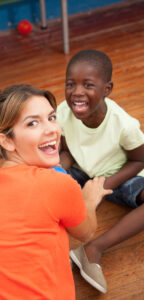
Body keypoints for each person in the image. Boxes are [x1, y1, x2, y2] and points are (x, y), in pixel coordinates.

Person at [0, 84, 112, 300]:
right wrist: (89, 199)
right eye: (33, 123)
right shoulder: (59, 184)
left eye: (52, 118)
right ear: (6, 140)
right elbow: (86, 233)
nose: (52, 129)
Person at [57, 49, 144, 294]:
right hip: (82, 170)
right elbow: (68, 150)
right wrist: (57, 172)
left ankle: (93, 249)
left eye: (88, 85)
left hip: (119, 175)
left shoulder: (123, 124)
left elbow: (139, 160)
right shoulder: (64, 111)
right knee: (41, 182)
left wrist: (102, 187)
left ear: (107, 89)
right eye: (70, 84)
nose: (77, 92)